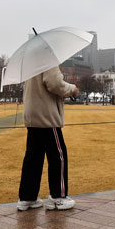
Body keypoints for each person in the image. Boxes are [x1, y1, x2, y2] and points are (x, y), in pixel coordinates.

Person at [18, 66, 79, 211]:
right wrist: (73, 89)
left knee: (33, 157)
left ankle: (27, 198)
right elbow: (55, 84)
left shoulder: (31, 60)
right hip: (46, 115)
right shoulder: (48, 58)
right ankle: (58, 197)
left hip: (32, 114)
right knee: (58, 156)